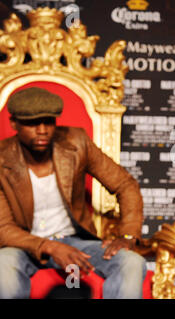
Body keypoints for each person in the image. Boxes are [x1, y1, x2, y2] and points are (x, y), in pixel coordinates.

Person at [0, 87, 146, 299]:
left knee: (132, 261)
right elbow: (4, 228)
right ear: (14, 124)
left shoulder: (76, 142)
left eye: (48, 121)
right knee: (3, 264)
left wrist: (127, 235)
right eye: (32, 123)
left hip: (75, 240)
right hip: (25, 244)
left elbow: (126, 184)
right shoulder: (2, 159)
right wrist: (49, 246)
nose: (42, 130)